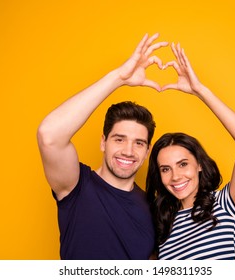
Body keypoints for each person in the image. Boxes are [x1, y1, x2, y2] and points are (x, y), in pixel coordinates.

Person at [37, 33, 168, 259]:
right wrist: (118, 78)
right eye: (119, 139)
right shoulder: (77, 185)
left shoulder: (153, 208)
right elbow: (49, 135)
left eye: (138, 143)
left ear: (147, 152)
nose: (128, 150)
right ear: (103, 142)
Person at [146, 42, 235, 260]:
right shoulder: (162, 227)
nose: (175, 176)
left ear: (199, 164)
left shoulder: (226, 204)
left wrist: (200, 91)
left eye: (183, 164)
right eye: (165, 169)